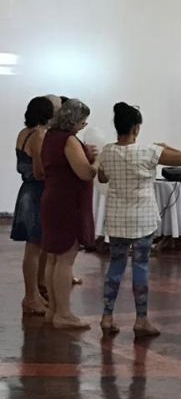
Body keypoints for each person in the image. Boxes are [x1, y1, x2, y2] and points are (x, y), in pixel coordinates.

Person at [98, 103, 181, 338]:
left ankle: (107, 316)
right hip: (142, 218)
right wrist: (164, 146)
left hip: (117, 218)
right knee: (141, 265)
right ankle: (141, 319)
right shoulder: (148, 151)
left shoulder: (107, 151)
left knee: (115, 265)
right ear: (136, 128)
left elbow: (102, 177)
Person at [39, 99, 99, 329]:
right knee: (66, 258)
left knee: (54, 257)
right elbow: (85, 173)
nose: (84, 125)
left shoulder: (50, 136)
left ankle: (53, 310)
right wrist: (97, 161)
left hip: (52, 198)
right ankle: (64, 314)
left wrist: (84, 152)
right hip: (67, 202)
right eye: (83, 120)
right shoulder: (69, 140)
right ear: (73, 120)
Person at [11, 96, 55, 314]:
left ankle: (34, 293)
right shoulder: (39, 135)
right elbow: (39, 171)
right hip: (37, 192)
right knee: (34, 248)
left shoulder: (23, 133)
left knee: (34, 246)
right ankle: (30, 296)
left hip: (26, 191)